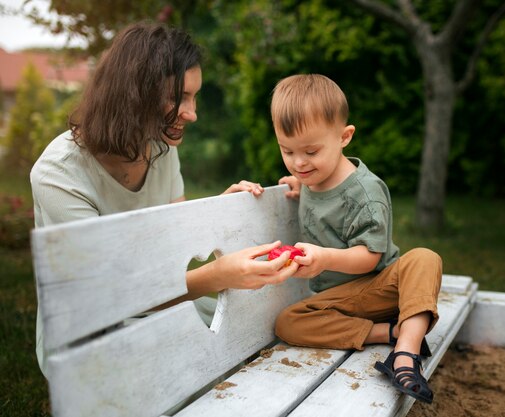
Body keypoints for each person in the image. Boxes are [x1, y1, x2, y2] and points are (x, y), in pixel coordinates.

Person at [30, 22, 299, 377]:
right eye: (178, 98)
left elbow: (173, 247)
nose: (192, 113)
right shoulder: (58, 174)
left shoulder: (159, 146)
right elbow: (112, 294)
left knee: (264, 332)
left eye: (194, 96)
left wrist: (217, 214)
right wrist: (217, 276)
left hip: (157, 302)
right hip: (93, 327)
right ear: (133, 94)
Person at [271, 74, 442, 404]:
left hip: (379, 287)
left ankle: (405, 355)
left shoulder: (364, 193)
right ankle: (390, 332)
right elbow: (307, 177)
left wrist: (324, 258)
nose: (299, 162)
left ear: (344, 137)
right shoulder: (310, 177)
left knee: (425, 257)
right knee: (288, 323)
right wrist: (297, 181)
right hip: (340, 300)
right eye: (287, 151)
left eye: (311, 150)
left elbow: (370, 257)